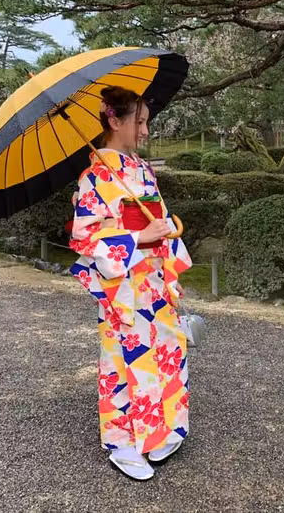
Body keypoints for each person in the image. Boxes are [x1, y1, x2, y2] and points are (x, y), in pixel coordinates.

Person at [68, 86, 192, 480]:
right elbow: (84, 238)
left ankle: (160, 431)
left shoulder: (141, 169)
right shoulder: (94, 178)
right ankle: (122, 443)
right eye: (139, 122)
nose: (145, 131)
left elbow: (160, 219)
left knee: (167, 352)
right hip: (121, 285)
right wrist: (140, 237)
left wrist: (167, 251)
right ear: (114, 120)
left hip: (154, 279)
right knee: (125, 358)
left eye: (146, 122)